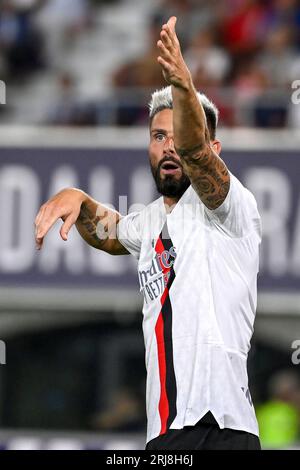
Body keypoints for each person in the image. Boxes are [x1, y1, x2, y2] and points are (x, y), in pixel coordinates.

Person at [35, 16, 262, 450]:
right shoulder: (151, 220)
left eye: (179, 136)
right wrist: (78, 197)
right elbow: (110, 233)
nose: (168, 147)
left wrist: (182, 83)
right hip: (165, 434)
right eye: (158, 136)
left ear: (215, 150)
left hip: (223, 430)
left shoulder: (232, 207)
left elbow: (194, 153)